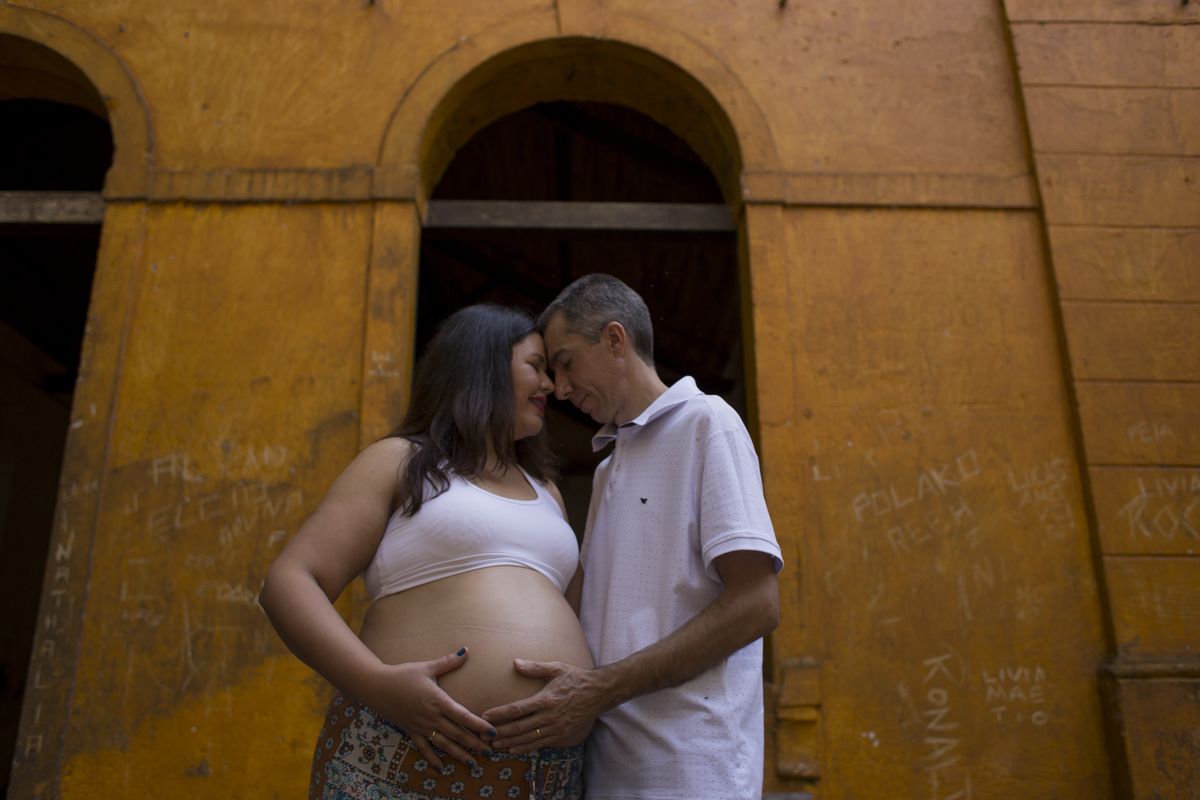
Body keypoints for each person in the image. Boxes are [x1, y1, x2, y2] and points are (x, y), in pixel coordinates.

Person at [259, 304, 595, 800]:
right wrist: (378, 686)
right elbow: (289, 583)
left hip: (542, 776)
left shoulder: (547, 489)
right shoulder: (402, 461)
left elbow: (577, 613)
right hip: (402, 753)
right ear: (482, 365)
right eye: (536, 366)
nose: (549, 385)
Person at [482, 274, 784, 799]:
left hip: (691, 769)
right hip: (606, 767)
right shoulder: (607, 469)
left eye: (567, 361)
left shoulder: (708, 422)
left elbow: (756, 603)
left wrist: (600, 690)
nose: (560, 386)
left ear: (616, 340)